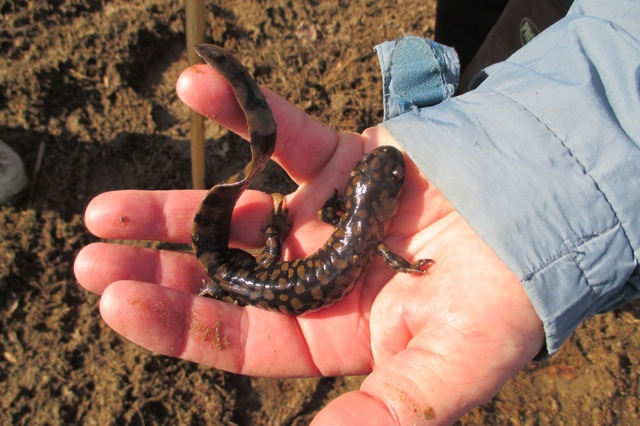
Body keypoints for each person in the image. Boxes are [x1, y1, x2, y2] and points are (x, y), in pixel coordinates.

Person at [74, 0, 639, 424]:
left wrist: (276, 240)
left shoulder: (360, 234)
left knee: (249, 265)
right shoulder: (370, 239)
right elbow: (384, 249)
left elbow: (372, 242)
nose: (391, 172)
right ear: (382, 210)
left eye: (384, 178)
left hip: (250, 278)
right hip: (254, 277)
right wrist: (405, 263)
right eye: (385, 178)